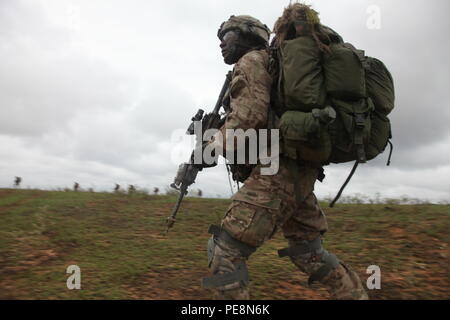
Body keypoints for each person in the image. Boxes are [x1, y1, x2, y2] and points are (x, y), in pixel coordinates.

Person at [200, 13, 368, 300]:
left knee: (224, 250)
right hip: (297, 171)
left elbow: (248, 119)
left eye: (226, 36)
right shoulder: (273, 65)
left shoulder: (252, 60)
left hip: (276, 171)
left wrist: (210, 145)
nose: (221, 44)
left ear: (248, 36)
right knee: (308, 252)